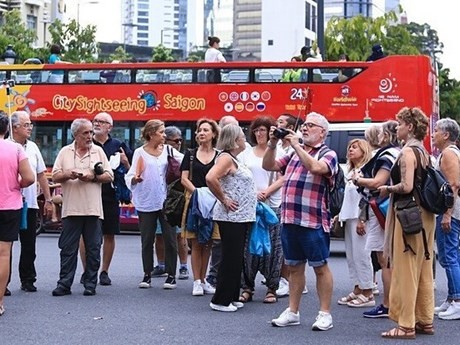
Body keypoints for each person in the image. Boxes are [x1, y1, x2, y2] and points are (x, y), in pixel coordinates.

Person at [264, 112, 337, 331]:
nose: (304, 128)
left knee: (320, 267)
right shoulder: (296, 153)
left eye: (310, 126)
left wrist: (296, 145)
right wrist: (272, 143)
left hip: (313, 220)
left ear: (322, 132)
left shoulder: (328, 153)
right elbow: (269, 166)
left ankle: (325, 313)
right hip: (290, 219)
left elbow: (316, 168)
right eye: (304, 125)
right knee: (294, 267)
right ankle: (292, 311)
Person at [379, 107, 435, 339]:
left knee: (405, 270)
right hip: (426, 215)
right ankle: (424, 320)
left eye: (400, 123)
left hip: (408, 215)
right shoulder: (424, 152)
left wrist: (386, 188)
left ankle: (406, 325)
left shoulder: (408, 152)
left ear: (410, 127)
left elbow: (407, 186)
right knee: (423, 268)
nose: (397, 127)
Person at [51, 119, 113, 297]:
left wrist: (92, 177)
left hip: (93, 209)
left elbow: (109, 176)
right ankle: (64, 284)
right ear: (76, 135)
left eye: (91, 133)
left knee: (93, 248)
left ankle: (90, 283)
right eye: (86, 133)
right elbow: (55, 176)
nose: (90, 136)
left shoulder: (98, 151)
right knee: (68, 249)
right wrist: (68, 174)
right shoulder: (65, 152)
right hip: (71, 209)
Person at [125, 120, 182, 290]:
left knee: (171, 239)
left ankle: (171, 275)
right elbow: (130, 175)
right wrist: (134, 179)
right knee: (147, 240)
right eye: (161, 132)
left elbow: (186, 162)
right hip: (146, 200)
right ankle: (147, 274)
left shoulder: (169, 150)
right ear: (151, 133)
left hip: (167, 201)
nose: (165, 135)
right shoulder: (139, 153)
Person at [206, 124, 257, 312]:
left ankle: (232, 295)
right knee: (230, 257)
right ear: (235, 140)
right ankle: (220, 300)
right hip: (231, 216)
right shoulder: (226, 158)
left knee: (236, 258)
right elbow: (211, 178)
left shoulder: (233, 158)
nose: (245, 139)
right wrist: (224, 199)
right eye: (242, 136)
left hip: (240, 216)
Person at [79, 112, 132, 286]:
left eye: (102, 122)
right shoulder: (86, 142)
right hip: (87, 194)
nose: (97, 124)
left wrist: (125, 162)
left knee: (109, 233)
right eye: (95, 121)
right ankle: (87, 270)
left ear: (110, 127)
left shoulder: (118, 145)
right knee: (85, 234)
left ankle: (104, 271)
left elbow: (132, 171)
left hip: (110, 195)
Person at [354, 121, 399, 318]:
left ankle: (388, 304)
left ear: (387, 136)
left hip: (381, 208)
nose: (376, 136)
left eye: (380, 132)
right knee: (387, 258)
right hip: (386, 207)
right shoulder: (396, 152)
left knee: (385, 258)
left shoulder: (388, 155)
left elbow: (378, 181)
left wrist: (357, 179)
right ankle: (392, 303)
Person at [5, 111, 53, 293]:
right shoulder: (6, 146)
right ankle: (4, 282)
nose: (30, 128)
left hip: (30, 203)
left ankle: (28, 279)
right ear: (14, 127)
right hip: (9, 203)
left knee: (29, 244)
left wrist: (48, 199)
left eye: (30, 124)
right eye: (26, 125)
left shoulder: (32, 147)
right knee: (6, 244)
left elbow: (40, 174)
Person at [238, 116, 284, 304]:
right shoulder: (245, 154)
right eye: (256, 130)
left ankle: (272, 287)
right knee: (248, 248)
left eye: (263, 130)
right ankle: (247, 287)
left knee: (274, 248)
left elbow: (284, 176)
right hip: (250, 205)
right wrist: (253, 193)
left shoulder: (279, 152)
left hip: (273, 205)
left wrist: (267, 191)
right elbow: (239, 176)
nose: (259, 134)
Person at [0, 113, 35, 316]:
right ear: (6, 129)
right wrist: (16, 184)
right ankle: (0, 301)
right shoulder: (16, 149)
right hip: (9, 205)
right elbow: (29, 178)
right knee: (4, 254)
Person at [181, 118, 220, 296]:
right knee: (196, 242)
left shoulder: (220, 156)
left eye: (206, 130)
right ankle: (196, 281)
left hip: (214, 202)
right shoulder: (189, 154)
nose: (201, 133)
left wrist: (212, 194)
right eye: (199, 130)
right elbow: (184, 179)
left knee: (209, 242)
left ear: (214, 134)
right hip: (196, 201)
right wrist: (198, 192)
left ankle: (204, 280)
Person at [337, 139, 374, 308]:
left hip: (360, 217)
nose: (351, 150)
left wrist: (362, 219)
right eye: (349, 147)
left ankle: (368, 291)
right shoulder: (352, 171)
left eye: (355, 147)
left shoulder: (366, 171)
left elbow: (367, 196)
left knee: (361, 255)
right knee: (352, 255)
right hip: (350, 216)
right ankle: (358, 287)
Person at [432, 118, 460, 320]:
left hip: (451, 211)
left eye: (436, 131)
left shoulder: (449, 153)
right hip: (451, 210)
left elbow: (453, 185)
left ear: (446, 135)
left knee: (449, 256)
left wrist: (447, 214)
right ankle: (451, 298)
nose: (433, 134)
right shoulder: (450, 152)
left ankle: (457, 301)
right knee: (449, 255)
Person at [153, 126, 189, 280]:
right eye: (176, 140)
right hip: (160, 199)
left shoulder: (181, 157)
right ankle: (161, 265)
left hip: (177, 199)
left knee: (180, 235)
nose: (179, 143)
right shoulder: (155, 154)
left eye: (180, 140)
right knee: (159, 235)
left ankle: (183, 266)